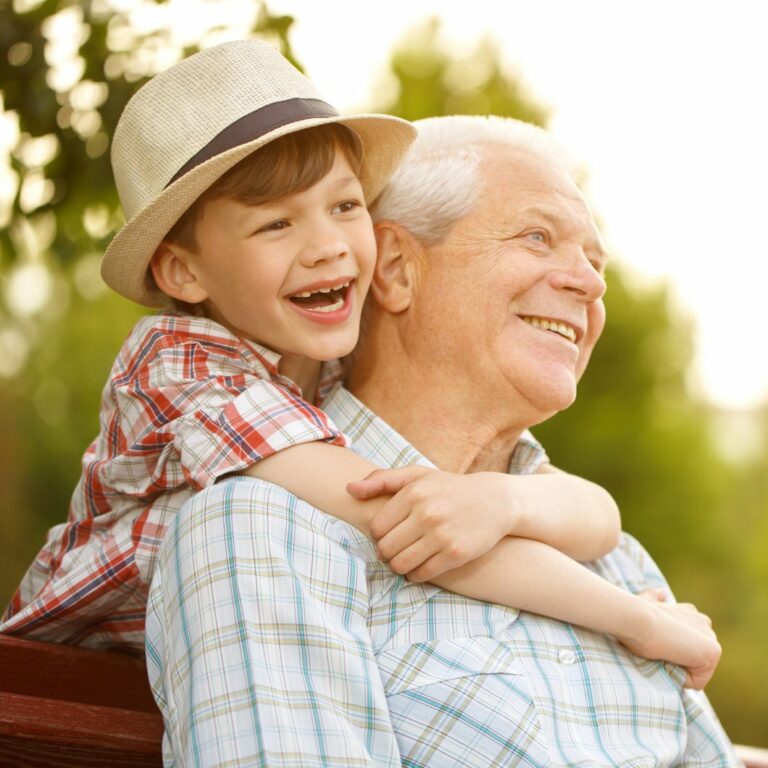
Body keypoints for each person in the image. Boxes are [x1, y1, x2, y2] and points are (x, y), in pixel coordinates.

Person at [0, 40, 640, 657]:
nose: (329, 245)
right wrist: (635, 621)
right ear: (183, 272)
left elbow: (595, 511)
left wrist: (505, 500)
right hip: (51, 692)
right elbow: (405, 524)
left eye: (345, 205)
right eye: (276, 223)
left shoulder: (334, 362)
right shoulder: (179, 366)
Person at [144, 115, 740, 765]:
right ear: (395, 268)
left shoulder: (615, 560)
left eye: (594, 262)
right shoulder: (264, 523)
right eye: (538, 238)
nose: (591, 283)